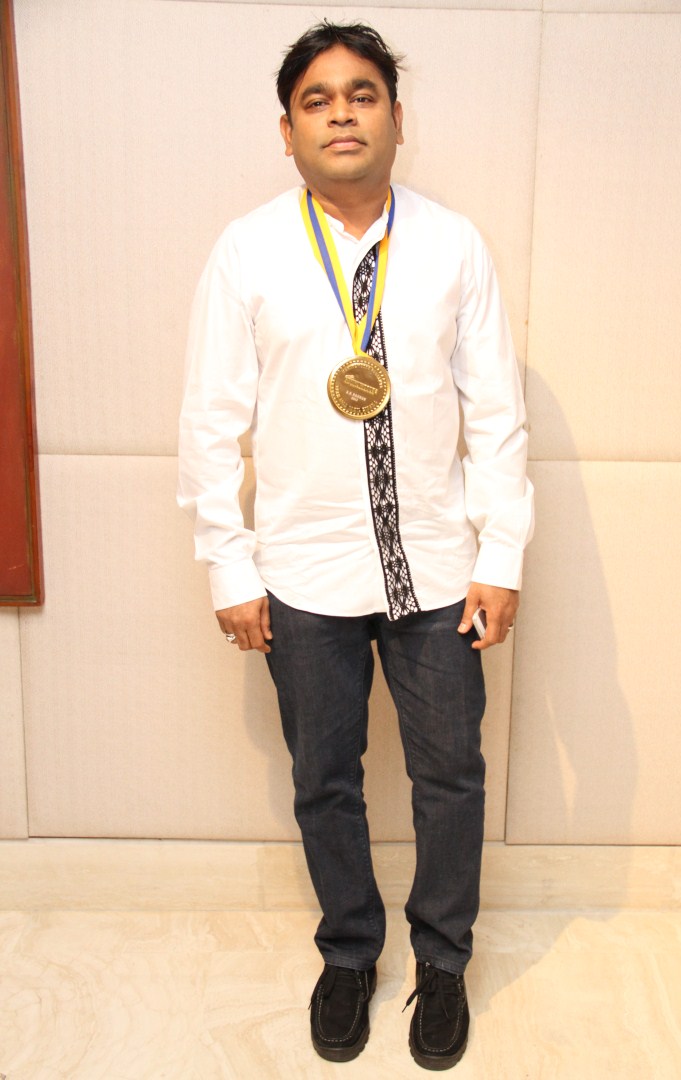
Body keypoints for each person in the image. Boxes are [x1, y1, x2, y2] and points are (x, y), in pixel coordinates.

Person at [178, 21, 534, 1070]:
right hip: (301, 575)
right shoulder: (248, 250)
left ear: (397, 118)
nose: (342, 113)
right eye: (318, 98)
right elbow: (210, 421)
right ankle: (348, 953)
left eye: (363, 93)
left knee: (450, 776)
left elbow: (497, 414)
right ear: (287, 128)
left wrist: (501, 554)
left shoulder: (454, 246)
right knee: (324, 776)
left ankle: (444, 961)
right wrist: (230, 564)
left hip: (437, 573)